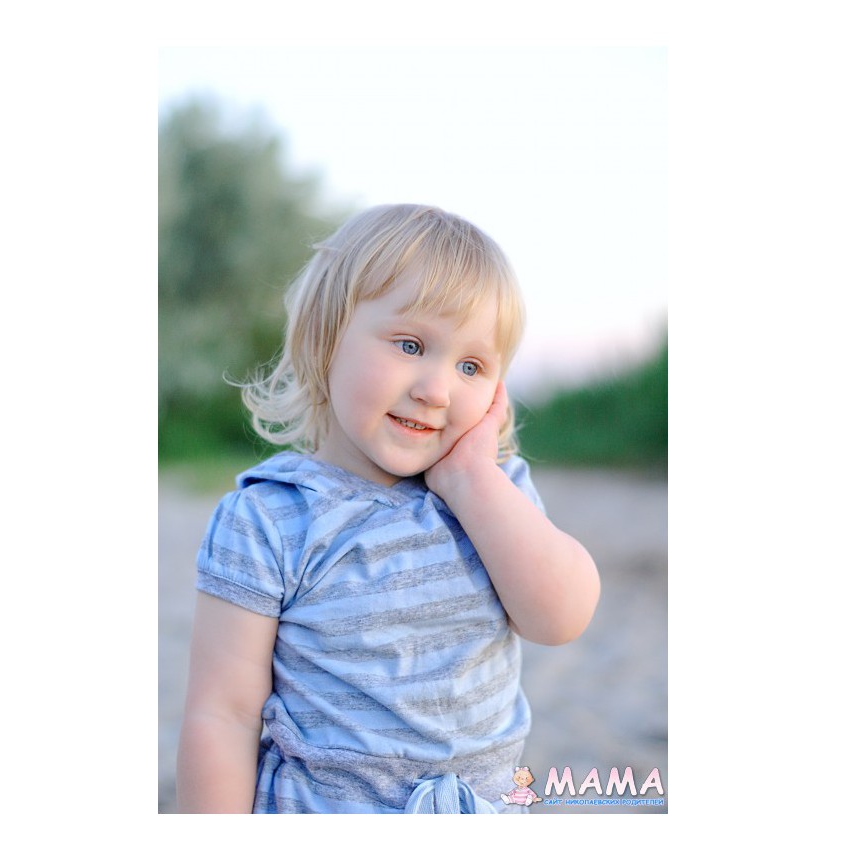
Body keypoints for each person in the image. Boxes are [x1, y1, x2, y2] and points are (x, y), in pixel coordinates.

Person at [176, 203, 600, 814]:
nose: (437, 390)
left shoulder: (493, 495)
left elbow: (560, 619)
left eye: (472, 366)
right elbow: (224, 715)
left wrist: (469, 480)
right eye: (410, 344)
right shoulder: (272, 517)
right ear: (325, 339)